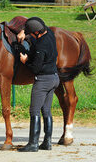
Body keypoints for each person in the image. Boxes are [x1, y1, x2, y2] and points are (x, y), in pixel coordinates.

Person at [17, 17, 59, 152]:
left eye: (30, 33)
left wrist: (25, 61)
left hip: (43, 81)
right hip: (54, 78)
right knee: (46, 110)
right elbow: (35, 20)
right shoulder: (50, 34)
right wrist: (24, 30)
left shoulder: (41, 46)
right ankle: (47, 142)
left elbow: (35, 68)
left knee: (34, 111)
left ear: (36, 33)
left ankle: (33, 144)